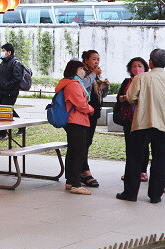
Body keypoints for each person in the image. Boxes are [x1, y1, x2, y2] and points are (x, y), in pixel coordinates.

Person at [118, 48, 165, 204]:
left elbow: (130, 98)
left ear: (150, 62)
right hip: (164, 126)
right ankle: (155, 196)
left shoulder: (141, 78)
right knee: (160, 161)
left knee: (134, 158)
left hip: (142, 124)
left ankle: (130, 193)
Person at [56, 60, 96, 195]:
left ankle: (70, 181)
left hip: (75, 120)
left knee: (73, 151)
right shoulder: (73, 84)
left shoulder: (70, 83)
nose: (84, 72)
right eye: (82, 69)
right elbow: (80, 104)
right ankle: (75, 183)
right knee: (78, 152)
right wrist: (91, 109)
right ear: (76, 70)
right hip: (76, 120)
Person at [114, 57, 149, 183]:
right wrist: (124, 98)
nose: (137, 69)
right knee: (129, 145)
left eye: (140, 66)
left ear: (145, 68)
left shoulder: (148, 80)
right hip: (129, 118)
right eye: (134, 66)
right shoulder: (127, 81)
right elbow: (119, 97)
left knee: (144, 146)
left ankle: (142, 171)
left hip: (144, 118)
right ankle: (129, 172)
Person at [78, 49, 109, 187]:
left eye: (98, 59)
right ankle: (84, 171)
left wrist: (104, 86)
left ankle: (81, 170)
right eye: (94, 59)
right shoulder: (81, 72)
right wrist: (94, 75)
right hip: (84, 112)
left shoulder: (94, 75)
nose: (96, 62)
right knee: (83, 142)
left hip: (94, 112)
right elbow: (81, 86)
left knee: (88, 141)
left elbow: (97, 93)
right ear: (85, 60)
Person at [0, 43, 23, 141]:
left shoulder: (15, 63)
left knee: (4, 111)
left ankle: (2, 133)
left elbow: (17, 78)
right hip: (2, 92)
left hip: (11, 93)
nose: (2, 52)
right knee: (8, 110)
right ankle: (21, 125)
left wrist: (6, 85)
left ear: (9, 52)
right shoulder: (3, 63)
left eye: (4, 51)